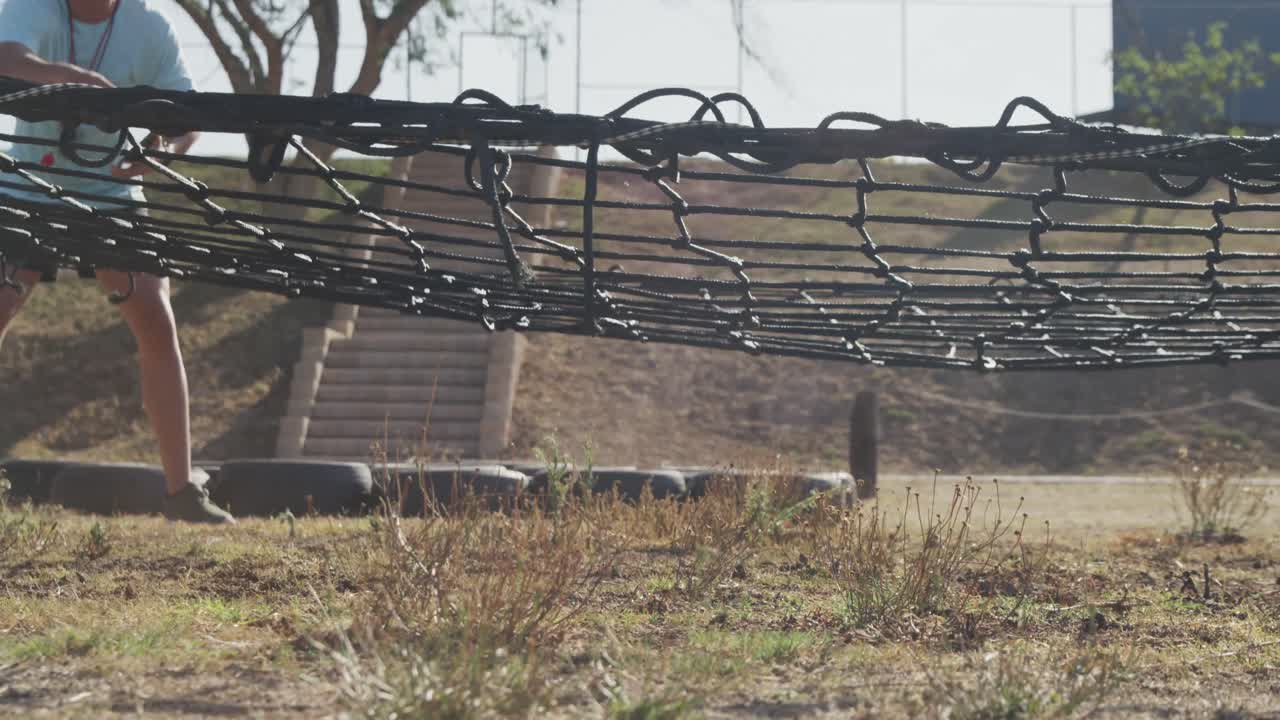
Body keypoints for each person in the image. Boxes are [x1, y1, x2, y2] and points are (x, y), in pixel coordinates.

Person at [0, 0, 234, 523]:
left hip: (110, 195)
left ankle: (182, 493)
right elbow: (5, 59)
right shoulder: (29, 7)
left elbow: (184, 111)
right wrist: (71, 79)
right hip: (24, 187)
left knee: (155, 315)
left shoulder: (148, 26)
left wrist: (164, 149)